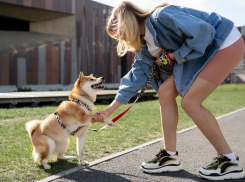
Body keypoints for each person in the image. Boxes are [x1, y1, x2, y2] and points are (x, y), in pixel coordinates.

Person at [92, 1, 245, 180]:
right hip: (205, 50)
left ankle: (230, 162)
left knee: (190, 102)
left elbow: (204, 33)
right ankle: (170, 157)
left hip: (224, 42)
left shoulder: (161, 16)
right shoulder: (144, 48)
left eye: (120, 34)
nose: (122, 40)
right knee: (164, 92)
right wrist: (109, 110)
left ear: (126, 23)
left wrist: (173, 56)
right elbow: (135, 77)